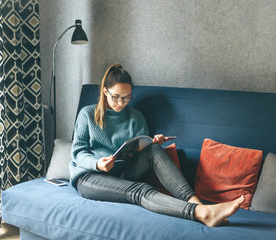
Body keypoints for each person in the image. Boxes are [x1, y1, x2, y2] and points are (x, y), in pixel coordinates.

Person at [70, 63, 244, 227]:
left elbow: (137, 150)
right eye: (116, 97)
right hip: (91, 177)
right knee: (140, 190)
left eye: (126, 98)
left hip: (122, 174)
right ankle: (201, 213)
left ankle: (198, 204)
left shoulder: (135, 116)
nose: (121, 103)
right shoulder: (87, 114)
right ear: (105, 91)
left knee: (153, 149)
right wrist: (98, 164)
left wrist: (152, 143)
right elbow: (78, 153)